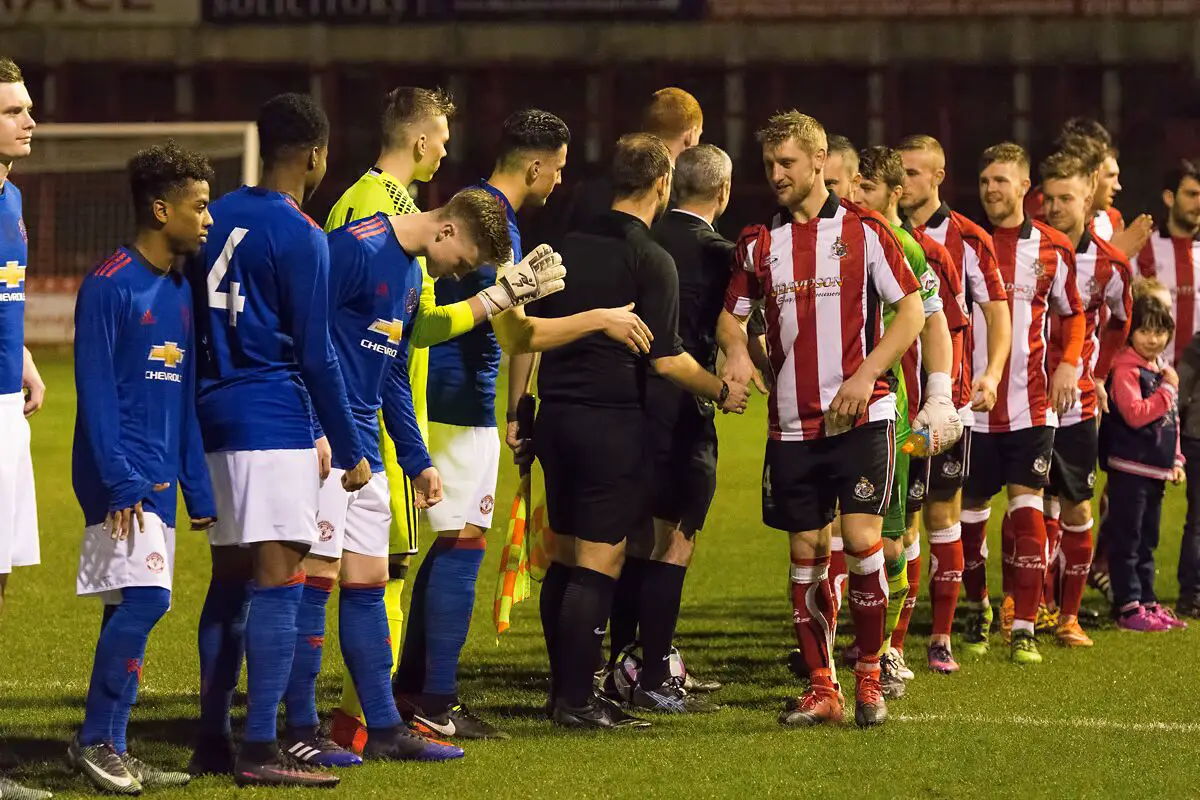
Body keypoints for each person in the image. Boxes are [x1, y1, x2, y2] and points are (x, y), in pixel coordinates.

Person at [397, 109, 650, 740]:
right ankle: (433, 699)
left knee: (447, 543)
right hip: (458, 402)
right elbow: (523, 331)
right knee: (461, 543)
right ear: (535, 165)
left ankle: (413, 689)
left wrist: (517, 406)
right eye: (558, 169)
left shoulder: (479, 209)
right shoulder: (495, 223)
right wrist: (601, 320)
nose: (559, 182)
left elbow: (512, 334)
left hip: (458, 398)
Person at [289, 188, 563, 765]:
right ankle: (297, 727)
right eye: (463, 260)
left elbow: (390, 373)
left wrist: (417, 459)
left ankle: (382, 728)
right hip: (328, 450)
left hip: (367, 450)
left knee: (366, 586)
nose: (458, 270)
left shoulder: (413, 276)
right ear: (446, 231)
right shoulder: (353, 249)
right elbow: (307, 345)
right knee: (313, 587)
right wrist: (320, 430)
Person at [718, 111, 925, 729]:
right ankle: (821, 685)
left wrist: (864, 378)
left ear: (817, 163)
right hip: (790, 424)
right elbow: (735, 316)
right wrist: (736, 351)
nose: (777, 175)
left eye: (787, 163)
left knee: (862, 543)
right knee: (806, 552)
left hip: (862, 418)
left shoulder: (865, 233)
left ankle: (868, 675)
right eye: (769, 166)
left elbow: (911, 312)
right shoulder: (758, 242)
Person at [534, 133, 747, 730]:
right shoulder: (651, 259)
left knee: (565, 555)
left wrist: (521, 411)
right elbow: (667, 361)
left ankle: (563, 691)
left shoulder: (563, 246)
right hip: (610, 422)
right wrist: (721, 389)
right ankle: (578, 702)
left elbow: (523, 328)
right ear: (662, 185)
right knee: (598, 563)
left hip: (555, 415)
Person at [188, 93, 370, 789]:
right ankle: (261, 746)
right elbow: (319, 355)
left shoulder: (217, 213)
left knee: (229, 582)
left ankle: (213, 738)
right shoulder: (302, 234)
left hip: (216, 417)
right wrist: (352, 447)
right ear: (316, 155)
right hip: (274, 419)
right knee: (279, 583)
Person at [68, 142, 216, 795]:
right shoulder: (108, 284)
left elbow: (181, 396)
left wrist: (196, 482)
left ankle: (116, 744)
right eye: (199, 206)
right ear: (162, 209)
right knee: (149, 600)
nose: (207, 219)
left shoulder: (180, 289)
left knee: (130, 604)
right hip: (118, 475)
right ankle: (96, 739)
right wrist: (121, 478)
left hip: (156, 475)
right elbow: (95, 391)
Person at [601, 143, 736, 714]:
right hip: (683, 411)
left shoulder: (640, 238)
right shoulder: (721, 254)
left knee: (636, 544)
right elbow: (741, 326)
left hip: (626, 408)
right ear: (723, 194)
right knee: (674, 547)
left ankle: (624, 667)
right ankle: (654, 673)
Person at [960, 142, 1084, 666]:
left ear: (1023, 188)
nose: (991, 189)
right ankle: (976, 607)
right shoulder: (964, 241)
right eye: (985, 180)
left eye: (1001, 181)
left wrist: (1068, 363)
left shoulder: (1053, 248)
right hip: (971, 407)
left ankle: (1026, 627)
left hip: (1031, 405)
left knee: (1028, 507)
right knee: (966, 515)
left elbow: (1073, 314)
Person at [852, 146, 967, 695]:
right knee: (824, 537)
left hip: (893, 413)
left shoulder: (913, 252)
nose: (852, 197)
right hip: (824, 415)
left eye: (864, 187)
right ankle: (838, 653)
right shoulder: (836, 242)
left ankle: (891, 645)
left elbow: (941, 324)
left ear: (892, 192)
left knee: (896, 539)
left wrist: (941, 394)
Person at [897, 133, 1011, 674]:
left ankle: (940, 635)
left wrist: (990, 372)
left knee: (942, 513)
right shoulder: (880, 233)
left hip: (948, 405)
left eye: (915, 173)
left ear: (939, 176)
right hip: (895, 403)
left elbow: (995, 312)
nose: (905, 182)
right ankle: (891, 638)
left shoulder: (965, 238)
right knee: (900, 520)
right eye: (900, 172)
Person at [1038, 150, 1133, 647]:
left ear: (1087, 195)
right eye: (1049, 198)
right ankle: (1030, 607)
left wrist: (1096, 371)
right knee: (1029, 505)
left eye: (1066, 198)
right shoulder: (1029, 250)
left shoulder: (1109, 263)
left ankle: (1069, 616)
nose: (1055, 207)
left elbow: (1120, 320)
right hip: (1025, 402)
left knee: (1075, 506)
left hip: (1076, 405)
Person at [0, 55, 49, 800]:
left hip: (8, 404)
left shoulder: (8, 198)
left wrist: (29, 360)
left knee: (1, 577)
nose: (30, 121)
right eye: (14, 110)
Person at [1099, 292, 1188, 631]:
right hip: (1130, 467)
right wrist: (1167, 391)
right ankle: (1128, 607)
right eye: (1145, 331)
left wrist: (1176, 459)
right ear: (1131, 332)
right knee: (1129, 539)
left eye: (1160, 331)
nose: (1153, 339)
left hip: (1156, 469)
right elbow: (1135, 415)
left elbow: (1171, 422)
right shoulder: (1125, 369)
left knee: (1148, 539)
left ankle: (1148, 603)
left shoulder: (1158, 369)